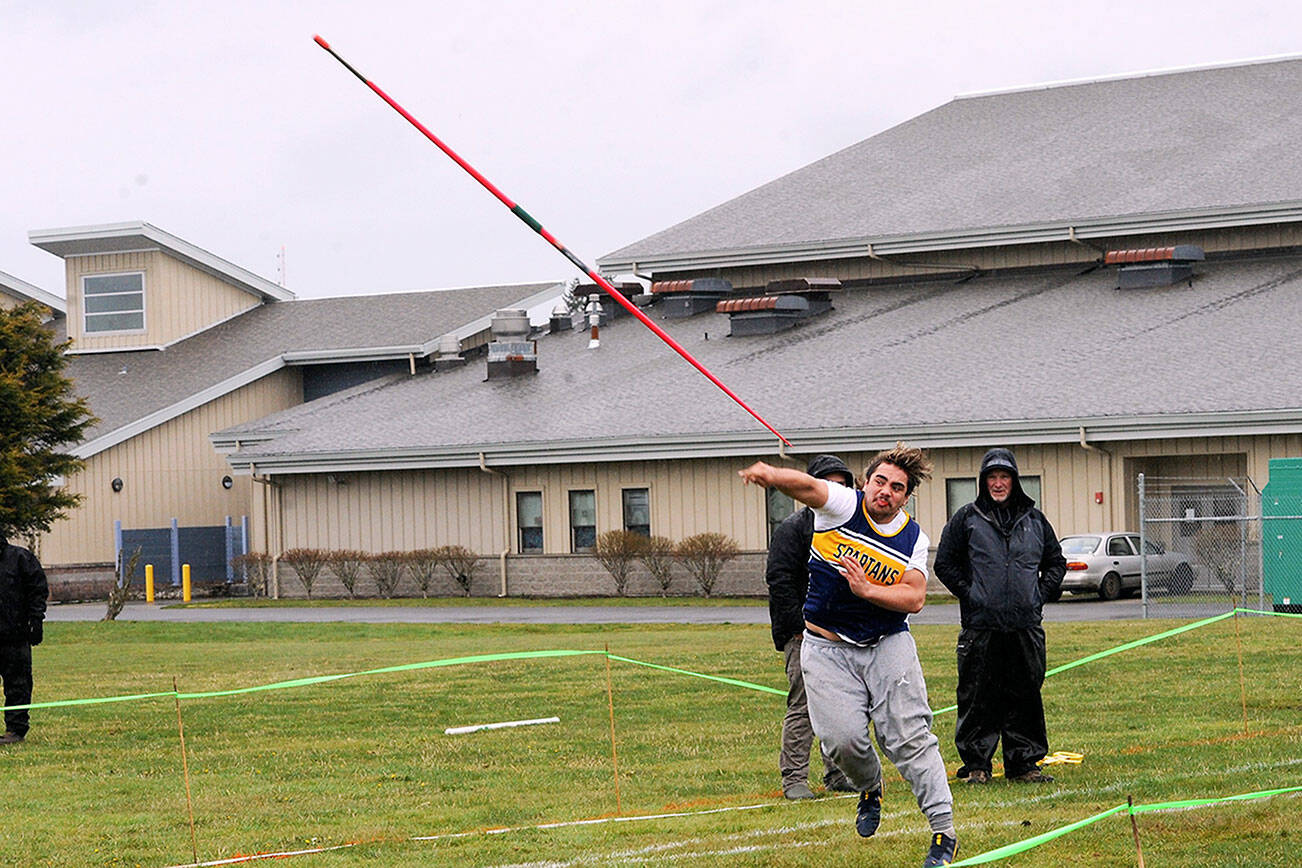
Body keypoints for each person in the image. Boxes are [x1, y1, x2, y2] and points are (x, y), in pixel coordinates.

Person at [741, 444, 958, 868]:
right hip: (825, 647)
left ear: (906, 497)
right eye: (880, 482)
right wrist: (770, 474)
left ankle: (943, 831)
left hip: (887, 643)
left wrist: (868, 591)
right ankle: (870, 785)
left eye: (897, 488)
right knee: (842, 741)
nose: (886, 492)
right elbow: (806, 485)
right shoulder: (842, 507)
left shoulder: (913, 538)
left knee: (910, 738)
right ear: (866, 482)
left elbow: (913, 597)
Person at [933, 448, 1066, 785]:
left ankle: (1024, 764)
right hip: (981, 627)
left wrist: (1039, 595)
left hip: (1025, 626)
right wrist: (971, 593)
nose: (997, 483)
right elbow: (945, 564)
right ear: (982, 482)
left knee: (1026, 694)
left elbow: (1056, 562)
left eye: (1003, 476)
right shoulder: (967, 518)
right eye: (991, 477)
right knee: (978, 696)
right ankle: (977, 765)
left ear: (1014, 480)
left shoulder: (1035, 521)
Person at [765, 454, 856, 800]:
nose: (835, 490)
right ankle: (794, 779)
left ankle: (837, 773)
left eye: (841, 484)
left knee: (840, 708)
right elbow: (780, 581)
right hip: (802, 634)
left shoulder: (851, 529)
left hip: (842, 633)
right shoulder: (792, 530)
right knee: (803, 705)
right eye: (827, 483)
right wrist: (799, 627)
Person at [0, 535, 48, 745]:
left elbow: (37, 591)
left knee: (18, 684)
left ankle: (15, 730)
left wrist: (36, 621)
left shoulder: (20, 559)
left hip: (15, 635)